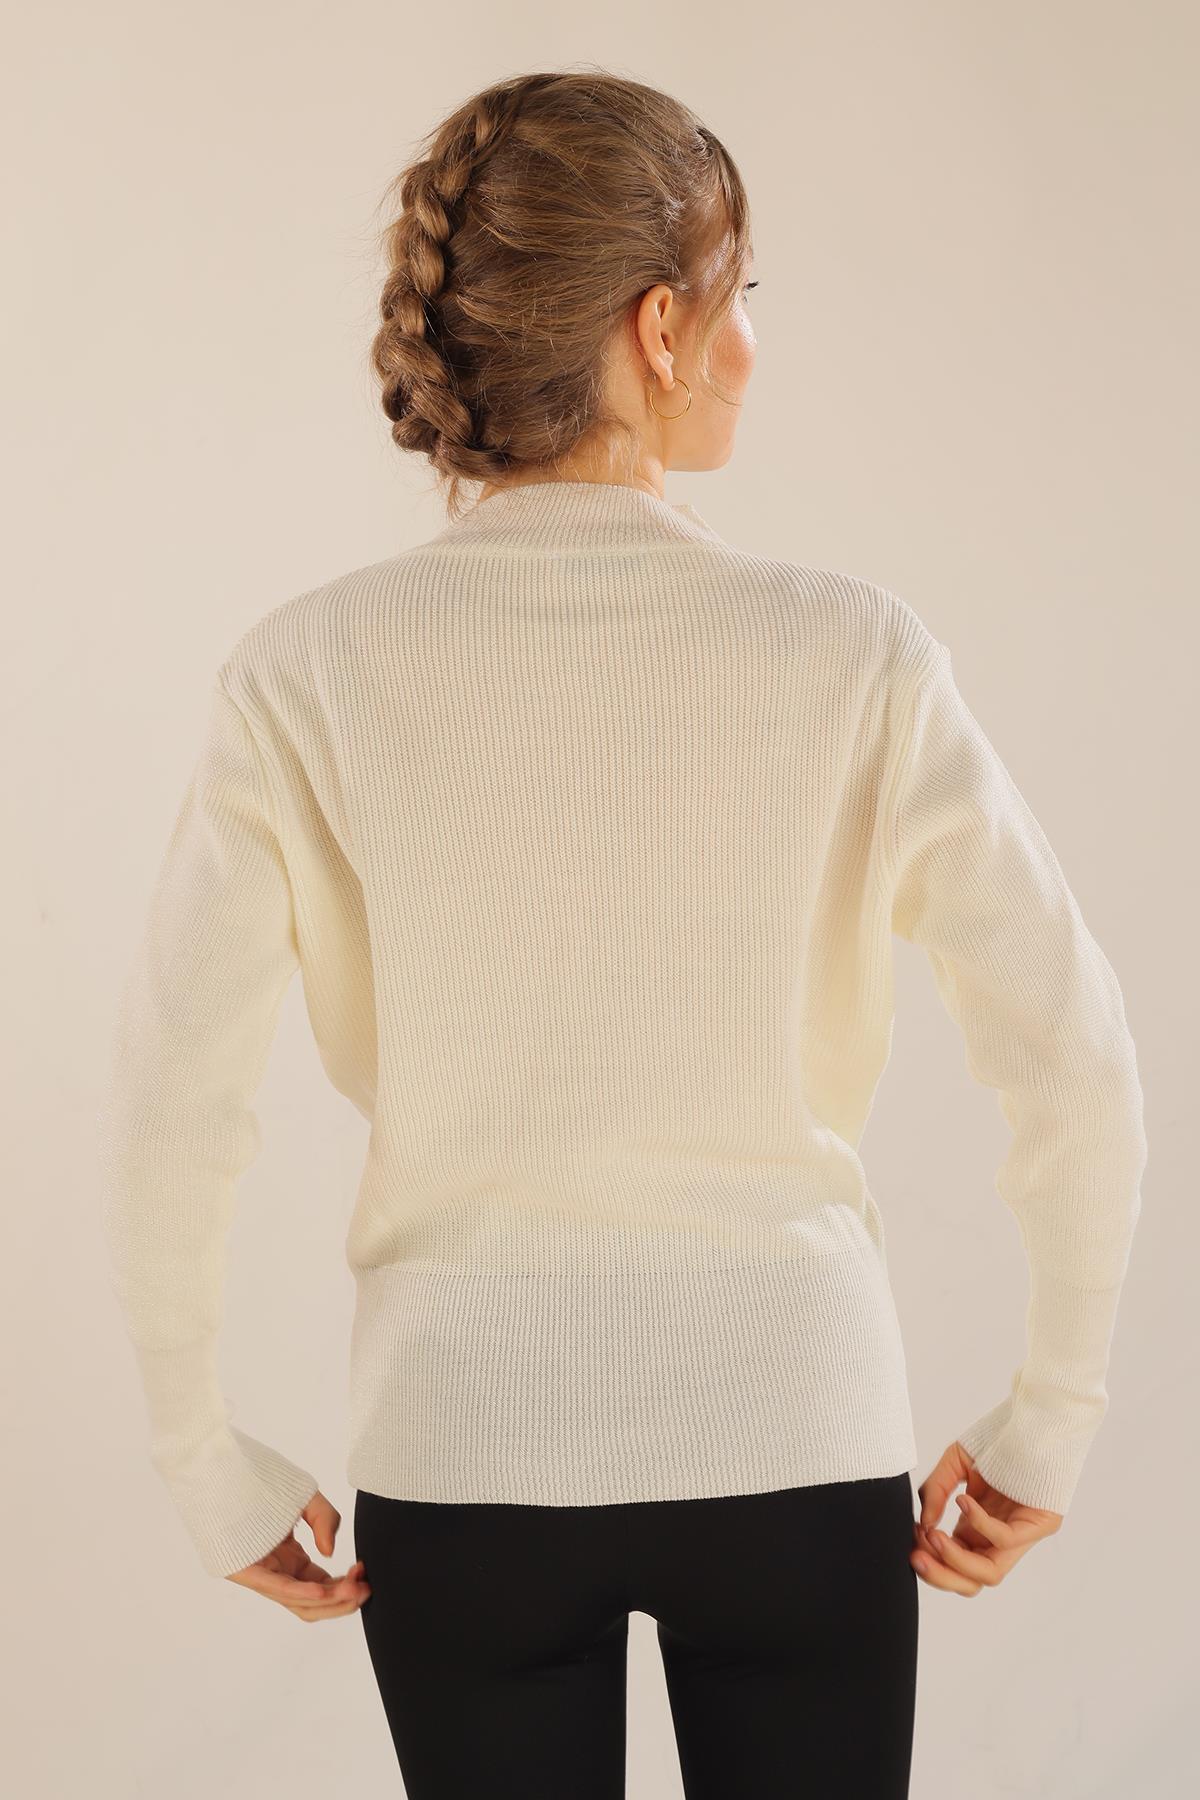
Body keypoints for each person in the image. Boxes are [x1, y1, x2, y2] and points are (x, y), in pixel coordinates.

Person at [97, 69, 1147, 1799]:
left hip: (464, 1462)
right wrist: (1055, 1412)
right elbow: (1073, 1052)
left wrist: (197, 1450)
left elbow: (171, 1092)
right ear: (662, 328)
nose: (750, 343)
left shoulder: (304, 673)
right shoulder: (854, 653)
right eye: (744, 299)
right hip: (796, 1446)